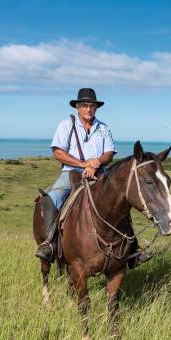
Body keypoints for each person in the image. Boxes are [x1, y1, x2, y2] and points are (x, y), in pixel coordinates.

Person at [35, 88, 116, 261]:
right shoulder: (66, 125)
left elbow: (109, 152)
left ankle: (132, 247)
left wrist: (96, 163)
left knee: (119, 198)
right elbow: (57, 152)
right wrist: (83, 163)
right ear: (77, 107)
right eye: (84, 105)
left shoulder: (103, 128)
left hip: (99, 172)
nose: (88, 109)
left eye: (92, 105)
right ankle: (49, 243)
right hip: (71, 172)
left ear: (96, 108)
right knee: (52, 198)